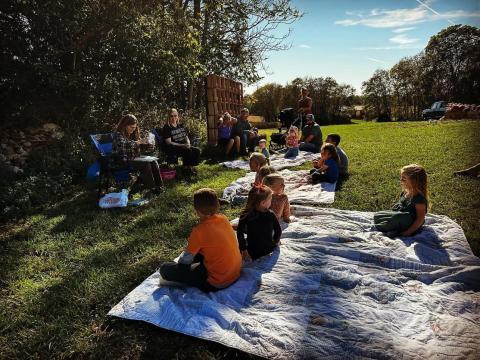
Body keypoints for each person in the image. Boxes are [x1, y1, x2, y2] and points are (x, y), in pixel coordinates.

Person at [159, 188, 242, 291]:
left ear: (197, 211)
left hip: (216, 283)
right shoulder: (223, 219)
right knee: (200, 253)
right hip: (235, 273)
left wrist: (177, 270)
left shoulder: (199, 231)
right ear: (217, 205)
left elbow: (184, 265)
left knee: (165, 268)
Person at [112, 114, 163, 193]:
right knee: (146, 164)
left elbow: (140, 146)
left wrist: (149, 145)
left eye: (135, 127)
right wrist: (139, 142)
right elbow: (126, 144)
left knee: (153, 161)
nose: (133, 129)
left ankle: (159, 186)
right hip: (123, 161)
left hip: (134, 158)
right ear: (125, 125)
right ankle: (152, 188)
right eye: (131, 127)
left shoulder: (133, 134)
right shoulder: (118, 134)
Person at [374, 164, 429, 237]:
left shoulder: (418, 198)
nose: (401, 180)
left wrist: (408, 232)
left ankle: (403, 231)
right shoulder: (405, 192)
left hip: (410, 221)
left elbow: (420, 219)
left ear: (414, 181)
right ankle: (395, 228)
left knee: (397, 218)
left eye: (404, 179)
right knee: (377, 215)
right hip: (400, 216)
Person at [237, 184, 282, 261]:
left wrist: (244, 249)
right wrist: (275, 242)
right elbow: (278, 230)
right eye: (270, 199)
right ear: (263, 203)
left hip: (252, 251)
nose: (271, 201)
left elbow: (239, 233)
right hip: (268, 249)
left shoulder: (246, 215)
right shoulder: (270, 214)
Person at [162, 108, 201, 174]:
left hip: (182, 145)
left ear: (177, 116)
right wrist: (182, 145)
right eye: (171, 116)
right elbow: (168, 142)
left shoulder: (180, 126)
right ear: (168, 117)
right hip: (173, 147)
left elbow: (186, 137)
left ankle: (190, 167)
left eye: (175, 115)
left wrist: (188, 143)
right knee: (188, 150)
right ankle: (186, 169)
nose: (173, 118)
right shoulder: (167, 127)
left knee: (197, 150)